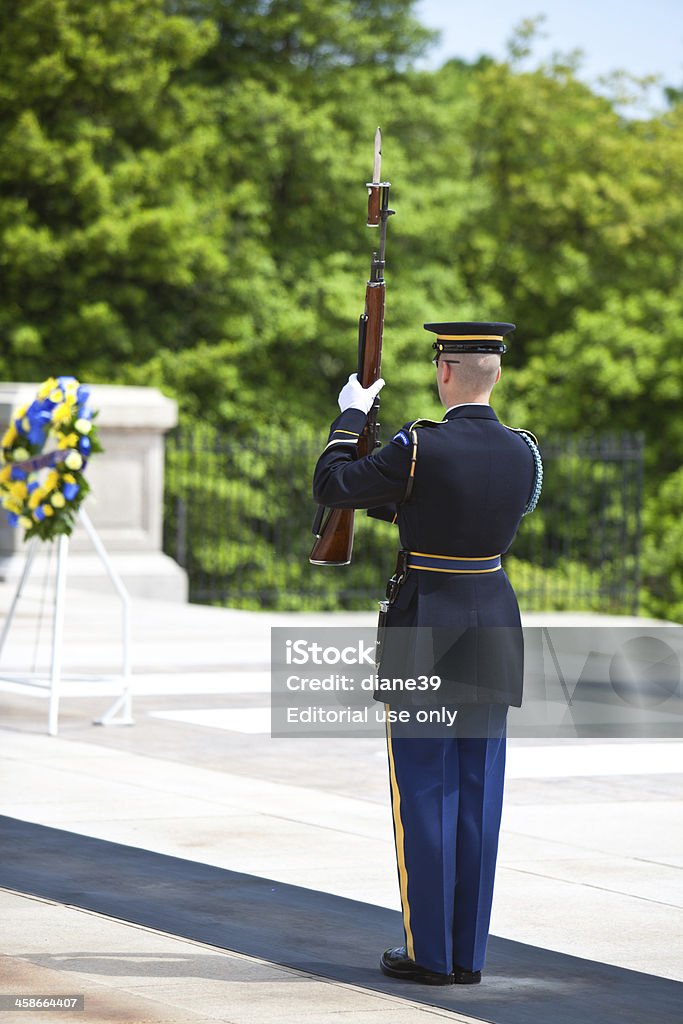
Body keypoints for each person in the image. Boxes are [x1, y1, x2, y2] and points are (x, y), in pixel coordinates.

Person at [312, 321, 542, 986]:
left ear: (445, 372)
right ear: (491, 374)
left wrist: (348, 417)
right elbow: (459, 513)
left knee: (425, 791)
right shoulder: (523, 453)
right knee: (478, 794)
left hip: (425, 632)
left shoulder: (419, 446)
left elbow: (333, 485)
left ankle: (428, 955)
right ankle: (466, 955)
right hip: (493, 625)